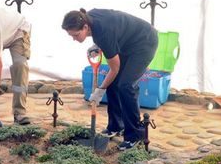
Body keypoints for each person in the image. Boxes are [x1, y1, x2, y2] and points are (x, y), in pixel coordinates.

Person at [62, 8, 158, 151]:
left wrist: (100, 91)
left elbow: (114, 69)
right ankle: (116, 126)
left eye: (76, 35)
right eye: (71, 36)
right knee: (114, 84)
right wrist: (98, 45)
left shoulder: (102, 33)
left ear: (85, 27)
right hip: (127, 42)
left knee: (126, 86)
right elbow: (112, 30)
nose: (74, 39)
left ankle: (135, 135)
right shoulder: (89, 17)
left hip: (145, 42)